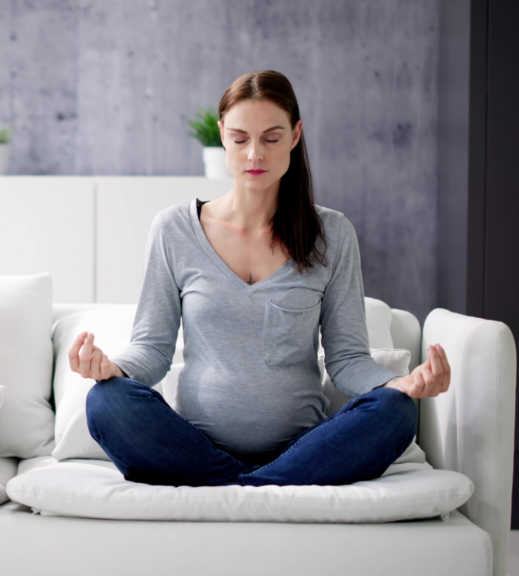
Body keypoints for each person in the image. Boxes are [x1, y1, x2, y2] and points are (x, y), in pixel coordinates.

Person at [71, 70, 450, 487]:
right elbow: (153, 349)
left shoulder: (333, 234)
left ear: (295, 135)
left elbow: (347, 360)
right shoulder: (173, 229)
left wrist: (399, 383)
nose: (255, 154)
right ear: (221, 135)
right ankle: (268, 485)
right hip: (194, 447)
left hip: (305, 447)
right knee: (106, 400)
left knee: (398, 410)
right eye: (239, 139)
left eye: (271, 138)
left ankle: (242, 485)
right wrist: (113, 368)